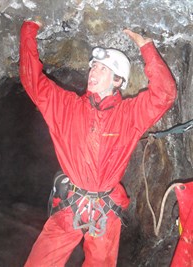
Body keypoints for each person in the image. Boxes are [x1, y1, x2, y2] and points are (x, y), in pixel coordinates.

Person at [19, 20, 177, 267]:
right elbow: (32, 81)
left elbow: (164, 94)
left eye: (102, 69)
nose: (93, 72)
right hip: (70, 205)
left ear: (117, 81)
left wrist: (146, 47)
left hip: (106, 211)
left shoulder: (129, 114)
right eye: (93, 67)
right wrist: (29, 30)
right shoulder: (66, 106)